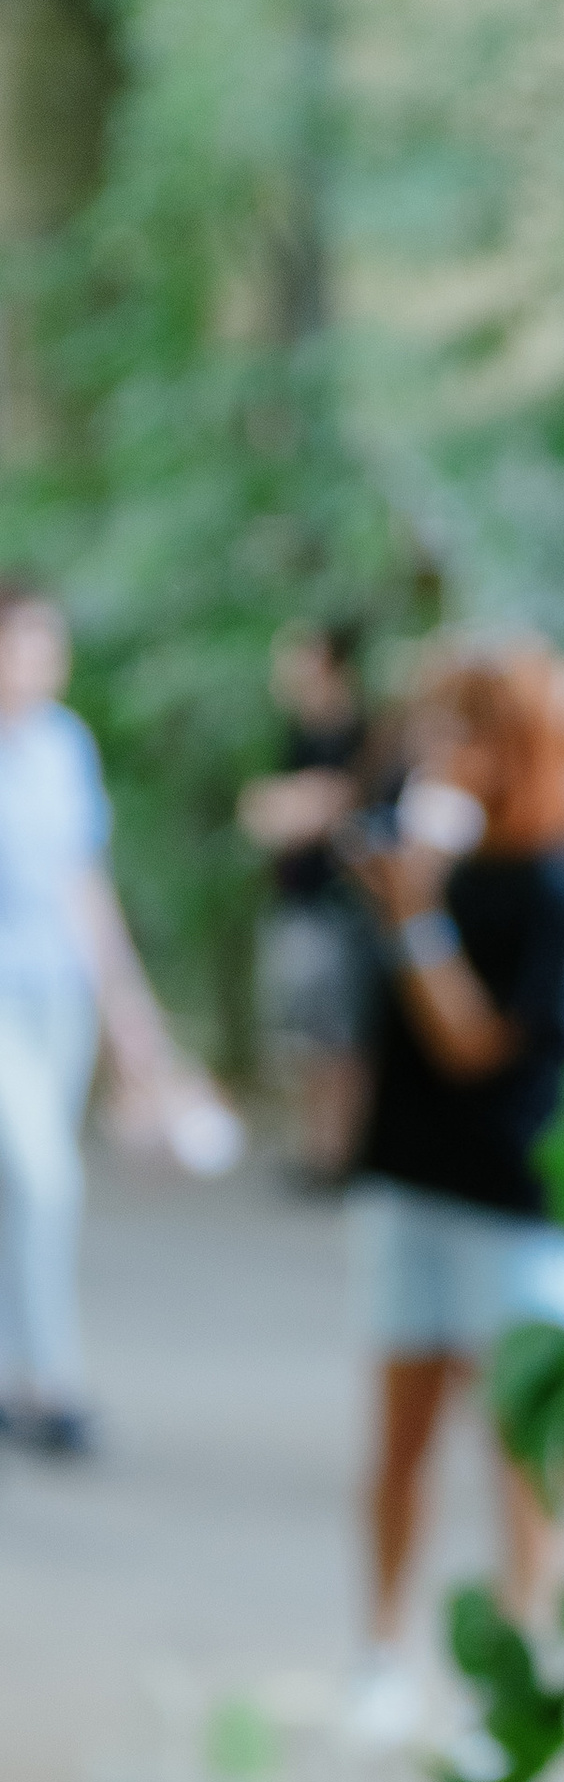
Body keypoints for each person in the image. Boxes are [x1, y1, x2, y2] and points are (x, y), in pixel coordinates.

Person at [344, 639, 564, 1732]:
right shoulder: (433, 860)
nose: (444, 752)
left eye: (468, 729)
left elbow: (471, 1042)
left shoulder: (553, 879)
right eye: (437, 726)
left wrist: (413, 914)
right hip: (410, 1180)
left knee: (522, 1455)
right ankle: (381, 1655)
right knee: (401, 1436)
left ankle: (515, 1688)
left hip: (520, 1202)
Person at [0, 576, 231, 1453]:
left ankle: (14, 1368)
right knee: (42, 1177)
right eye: (23, 642)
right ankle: (50, 1382)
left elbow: (81, 884)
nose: (38, 662)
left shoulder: (63, 746)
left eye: (47, 644)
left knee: (24, 1189)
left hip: (57, 992)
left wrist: (129, 1008)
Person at [237, 623, 373, 1187]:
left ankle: (341, 1155)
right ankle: (317, 1151)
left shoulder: (357, 732)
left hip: (339, 905)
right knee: (308, 1034)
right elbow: (265, 811)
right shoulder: (299, 731)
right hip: (296, 900)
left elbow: (335, 805)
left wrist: (298, 807)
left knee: (339, 1035)